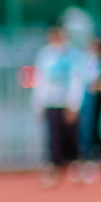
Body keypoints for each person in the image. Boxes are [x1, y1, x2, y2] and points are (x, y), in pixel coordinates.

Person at [31, 24, 81, 187]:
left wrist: (73, 103)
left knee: (70, 135)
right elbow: (40, 80)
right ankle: (53, 168)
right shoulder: (45, 55)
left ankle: (74, 166)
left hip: (66, 102)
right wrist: (38, 104)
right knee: (53, 137)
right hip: (51, 101)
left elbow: (76, 79)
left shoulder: (72, 54)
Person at [78, 36, 101, 180]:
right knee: (88, 128)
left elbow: (98, 82)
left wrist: (94, 89)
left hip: (95, 97)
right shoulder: (87, 59)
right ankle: (98, 155)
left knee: (92, 128)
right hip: (88, 95)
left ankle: (95, 156)